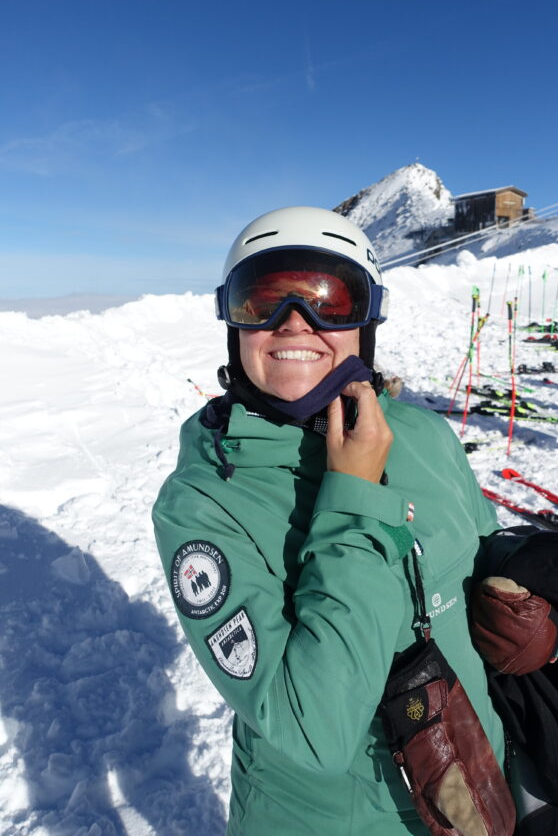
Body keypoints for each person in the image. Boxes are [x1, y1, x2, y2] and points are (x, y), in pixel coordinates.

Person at [152, 205, 507, 835]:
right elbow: (314, 731)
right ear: (233, 324)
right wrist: (354, 495)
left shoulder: (423, 434)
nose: (295, 322)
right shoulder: (203, 502)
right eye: (262, 301)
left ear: (367, 323)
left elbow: (486, 571)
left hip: (478, 790)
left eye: (329, 301)